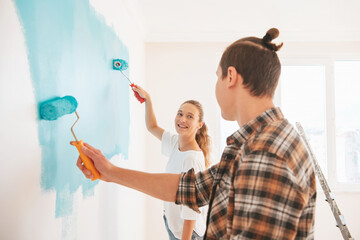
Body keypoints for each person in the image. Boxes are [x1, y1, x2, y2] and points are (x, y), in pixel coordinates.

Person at [72, 28, 316, 240]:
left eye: (217, 77)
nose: (182, 119)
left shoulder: (266, 153)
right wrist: (111, 172)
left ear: (229, 76)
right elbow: (193, 188)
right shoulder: (252, 142)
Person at [132, 85, 210, 240]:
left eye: (189, 116)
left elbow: (191, 212)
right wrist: (148, 100)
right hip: (174, 224)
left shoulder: (191, 159)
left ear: (199, 125)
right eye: (180, 114)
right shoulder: (176, 143)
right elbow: (152, 127)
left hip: (187, 233)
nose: (182, 119)